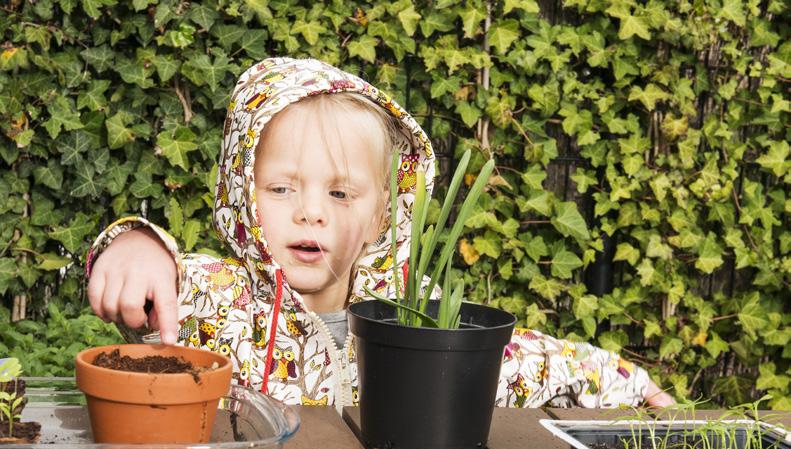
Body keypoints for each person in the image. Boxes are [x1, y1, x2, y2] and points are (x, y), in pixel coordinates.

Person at [86, 57, 674, 411]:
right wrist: (136, 245)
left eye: (340, 194)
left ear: (378, 218)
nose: (311, 213)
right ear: (243, 196)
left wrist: (633, 389)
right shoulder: (207, 299)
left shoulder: (413, 319)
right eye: (283, 188)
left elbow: (525, 361)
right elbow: (141, 282)